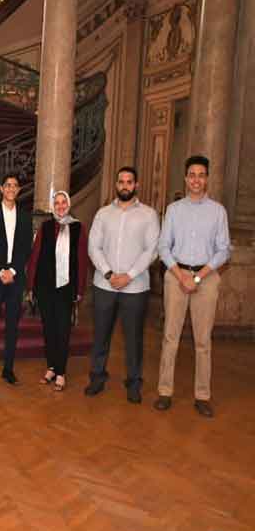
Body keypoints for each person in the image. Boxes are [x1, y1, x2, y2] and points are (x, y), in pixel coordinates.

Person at [155, 155, 230, 418]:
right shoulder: (174, 210)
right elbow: (163, 247)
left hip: (206, 278)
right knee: (170, 337)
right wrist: (181, 275)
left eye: (201, 175)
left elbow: (223, 251)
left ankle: (202, 395)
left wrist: (197, 278)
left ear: (206, 179)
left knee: (203, 341)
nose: (196, 179)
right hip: (176, 276)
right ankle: (165, 391)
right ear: (186, 179)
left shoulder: (218, 211)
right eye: (192, 175)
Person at [85, 167, 160, 403]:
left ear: (136, 185)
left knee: (134, 337)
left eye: (129, 182)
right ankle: (97, 376)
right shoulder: (103, 214)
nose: (125, 185)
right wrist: (108, 273)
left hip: (135, 287)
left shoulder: (148, 215)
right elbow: (93, 247)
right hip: (104, 285)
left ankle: (134, 381)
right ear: (116, 185)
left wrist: (129, 275)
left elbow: (152, 249)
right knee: (101, 335)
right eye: (121, 181)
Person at [27, 190, 88, 391]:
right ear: (53, 206)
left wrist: (79, 289)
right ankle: (51, 366)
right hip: (45, 288)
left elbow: (81, 260)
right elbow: (35, 256)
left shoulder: (78, 227)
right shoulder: (45, 227)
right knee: (49, 329)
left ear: (69, 205)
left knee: (63, 330)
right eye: (57, 203)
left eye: (64, 203)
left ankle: (61, 372)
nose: (60, 206)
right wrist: (31, 285)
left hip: (66, 288)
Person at [0, 174, 33, 385]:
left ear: (19, 190)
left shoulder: (26, 217)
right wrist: (1, 270)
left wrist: (14, 271)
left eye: (15, 186)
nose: (11, 188)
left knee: (12, 326)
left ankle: (8, 369)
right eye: (7, 185)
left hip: (16, 279)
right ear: (1, 189)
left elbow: (25, 249)